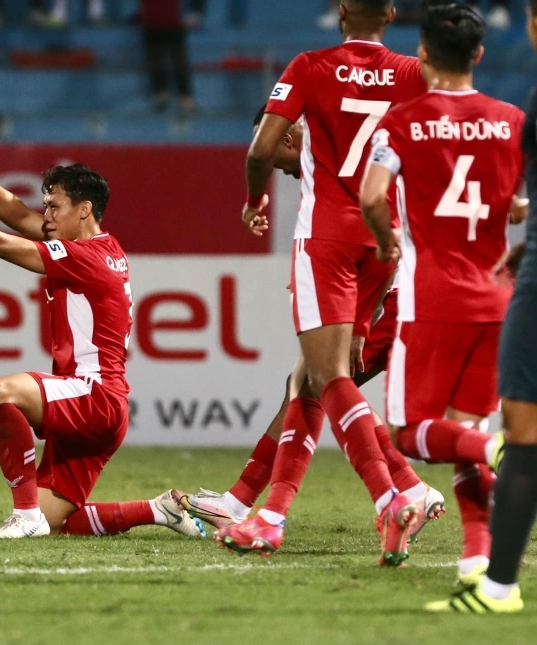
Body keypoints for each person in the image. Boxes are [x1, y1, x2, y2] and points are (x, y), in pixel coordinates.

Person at [0, 165, 204, 539]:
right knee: (55, 523)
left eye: (54, 206)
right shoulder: (104, 247)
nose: (46, 215)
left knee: (0, 392)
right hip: (105, 405)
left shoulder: (85, 257)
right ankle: (159, 509)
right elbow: (21, 217)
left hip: (92, 395)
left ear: (84, 209)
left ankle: (24, 516)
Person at [234, 0, 429, 566]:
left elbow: (261, 149)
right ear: (390, 15)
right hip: (384, 242)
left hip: (328, 237)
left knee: (325, 377)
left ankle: (393, 496)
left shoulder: (309, 66)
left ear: (341, 13)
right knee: (314, 380)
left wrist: (254, 199)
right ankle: (269, 513)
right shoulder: (413, 74)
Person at [184, 106, 444, 545]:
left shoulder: (344, 172)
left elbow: (383, 246)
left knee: (314, 385)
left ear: (287, 140)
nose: (277, 171)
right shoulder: (346, 163)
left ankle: (253, 507)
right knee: (313, 384)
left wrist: (361, 322)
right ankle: (409, 489)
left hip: (400, 298)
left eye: (274, 159)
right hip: (407, 292)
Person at [360, 0, 522, 595]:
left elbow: (372, 195)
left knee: (409, 432)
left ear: (422, 53)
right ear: (478, 53)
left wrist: (385, 240)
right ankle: (477, 561)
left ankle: (495, 446)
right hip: (498, 300)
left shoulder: (401, 122)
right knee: (461, 434)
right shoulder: (511, 120)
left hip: (432, 299)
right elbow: (517, 201)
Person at [427, 0, 537, 613]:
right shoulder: (517, 115)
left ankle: (496, 586)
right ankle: (491, 579)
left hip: (502, 286)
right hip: (515, 272)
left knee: (516, 432)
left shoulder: (528, 108)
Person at [136, 0, 196, 115]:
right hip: (170, 21)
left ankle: (161, 94)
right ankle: (185, 97)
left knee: (157, 59)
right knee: (177, 60)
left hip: (152, 21)